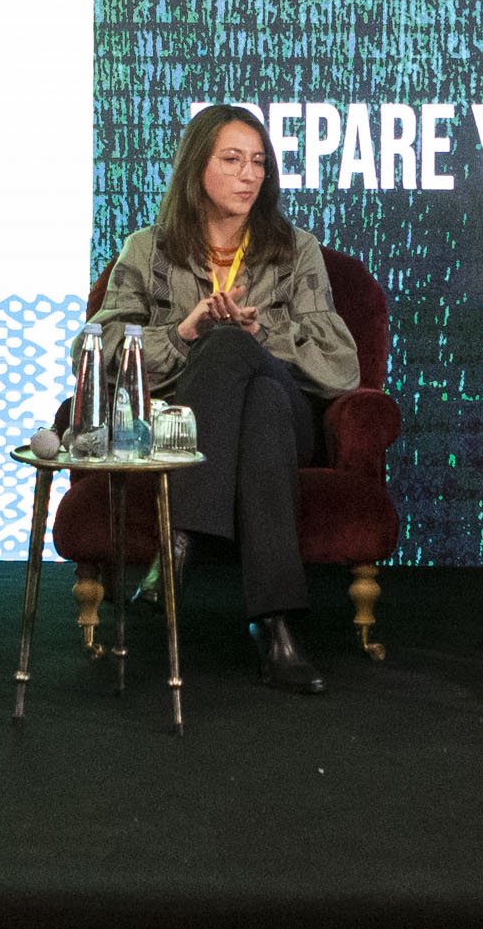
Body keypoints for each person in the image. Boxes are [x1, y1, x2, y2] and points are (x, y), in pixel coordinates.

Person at [93, 103, 357, 694]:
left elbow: (340, 363)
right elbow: (103, 350)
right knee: (254, 398)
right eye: (233, 160)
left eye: (259, 162)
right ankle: (276, 629)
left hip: (295, 410)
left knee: (242, 352)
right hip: (187, 421)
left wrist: (263, 335)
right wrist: (183, 333)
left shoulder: (295, 249)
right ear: (197, 168)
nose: (249, 175)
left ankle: (177, 546)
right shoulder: (146, 250)